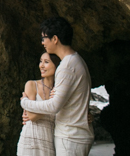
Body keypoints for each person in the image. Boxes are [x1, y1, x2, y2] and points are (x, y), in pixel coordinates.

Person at [20, 16, 94, 156]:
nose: (42, 43)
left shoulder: (67, 66)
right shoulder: (76, 61)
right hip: (74, 135)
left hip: (71, 136)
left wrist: (25, 103)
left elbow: (54, 106)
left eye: (44, 38)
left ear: (55, 39)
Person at [17, 52, 62, 156]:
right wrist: (53, 104)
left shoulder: (59, 91)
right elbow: (32, 116)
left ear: (57, 65)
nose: (41, 65)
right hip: (30, 139)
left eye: (46, 62)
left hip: (49, 142)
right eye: (40, 61)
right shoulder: (31, 84)